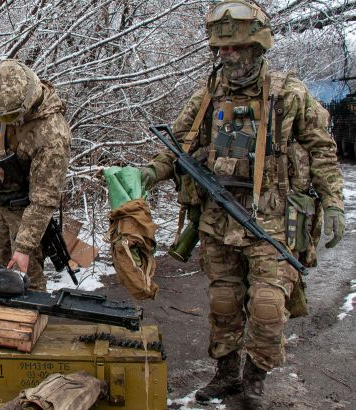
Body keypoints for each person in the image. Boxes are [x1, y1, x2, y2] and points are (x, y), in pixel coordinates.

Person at [138, 0, 345, 407]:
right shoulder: (208, 97)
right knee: (223, 304)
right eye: (222, 50)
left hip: (273, 223)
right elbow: (177, 146)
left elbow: (322, 150)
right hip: (218, 221)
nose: (228, 57)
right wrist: (150, 174)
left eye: (237, 49)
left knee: (267, 309)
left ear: (258, 48)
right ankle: (227, 374)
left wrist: (334, 202)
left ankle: (255, 378)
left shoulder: (289, 95)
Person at [0, 59, 71, 291]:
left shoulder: (51, 135)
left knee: (26, 276)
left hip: (25, 211)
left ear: (27, 103)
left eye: (7, 117)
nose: (0, 121)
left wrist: (24, 247)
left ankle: (29, 319)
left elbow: (43, 200)